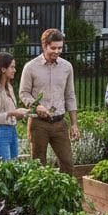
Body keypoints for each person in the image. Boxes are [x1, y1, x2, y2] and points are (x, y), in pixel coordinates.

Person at [18, 28, 79, 175]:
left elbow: (70, 95)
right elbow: (23, 93)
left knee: (68, 164)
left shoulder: (67, 67)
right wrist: (37, 106)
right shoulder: (31, 67)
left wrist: (74, 124)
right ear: (44, 46)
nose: (57, 51)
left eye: (60, 48)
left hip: (59, 123)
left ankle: (66, 197)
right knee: (39, 166)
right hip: (39, 124)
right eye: (53, 48)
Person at [0, 52, 28, 160]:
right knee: (4, 170)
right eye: (12, 67)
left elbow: (9, 112)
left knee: (13, 169)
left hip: (12, 131)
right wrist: (11, 113)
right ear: (3, 69)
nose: (14, 70)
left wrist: (19, 113)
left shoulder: (9, 87)